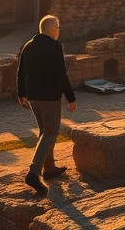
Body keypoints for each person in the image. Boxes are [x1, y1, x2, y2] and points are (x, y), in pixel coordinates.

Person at [16, 14, 77, 197]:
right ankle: (33, 173)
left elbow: (21, 72)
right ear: (52, 29)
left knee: (45, 132)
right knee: (51, 132)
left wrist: (21, 94)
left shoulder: (28, 46)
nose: (59, 31)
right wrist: (71, 97)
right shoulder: (54, 47)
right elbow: (61, 74)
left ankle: (49, 168)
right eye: (58, 28)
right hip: (50, 97)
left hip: (33, 97)